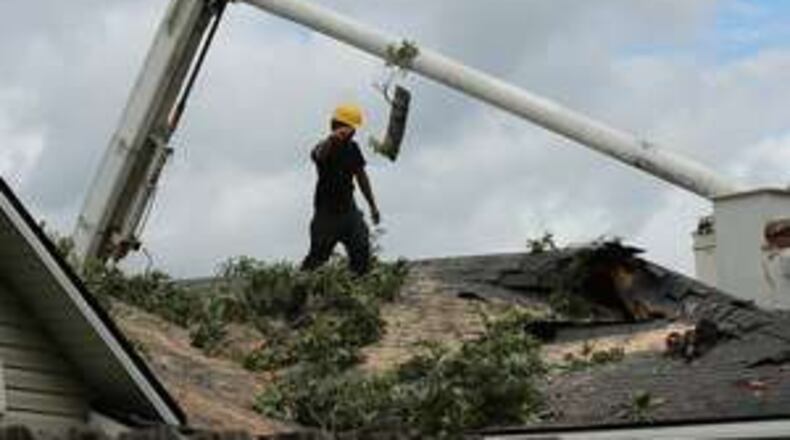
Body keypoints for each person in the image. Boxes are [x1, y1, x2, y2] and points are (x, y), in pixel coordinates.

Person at [300, 103, 380, 275]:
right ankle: (295, 293)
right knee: (316, 260)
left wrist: (373, 206)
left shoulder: (353, 148)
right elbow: (319, 156)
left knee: (361, 249)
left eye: (353, 129)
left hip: (349, 212)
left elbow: (362, 177)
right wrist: (331, 138)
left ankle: (358, 290)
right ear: (339, 126)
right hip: (326, 215)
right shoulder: (323, 147)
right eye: (351, 127)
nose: (354, 132)